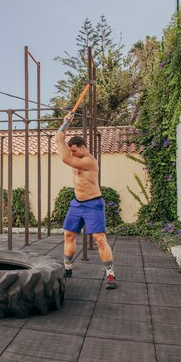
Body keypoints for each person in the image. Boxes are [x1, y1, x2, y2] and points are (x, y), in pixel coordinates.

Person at [55, 113, 117, 289]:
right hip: (77, 203)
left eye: (75, 150)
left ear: (83, 147)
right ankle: (67, 267)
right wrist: (65, 123)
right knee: (68, 234)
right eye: (72, 150)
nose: (72, 153)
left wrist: (60, 133)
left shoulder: (89, 161)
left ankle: (110, 275)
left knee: (99, 238)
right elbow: (62, 145)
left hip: (93, 204)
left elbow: (65, 157)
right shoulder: (77, 158)